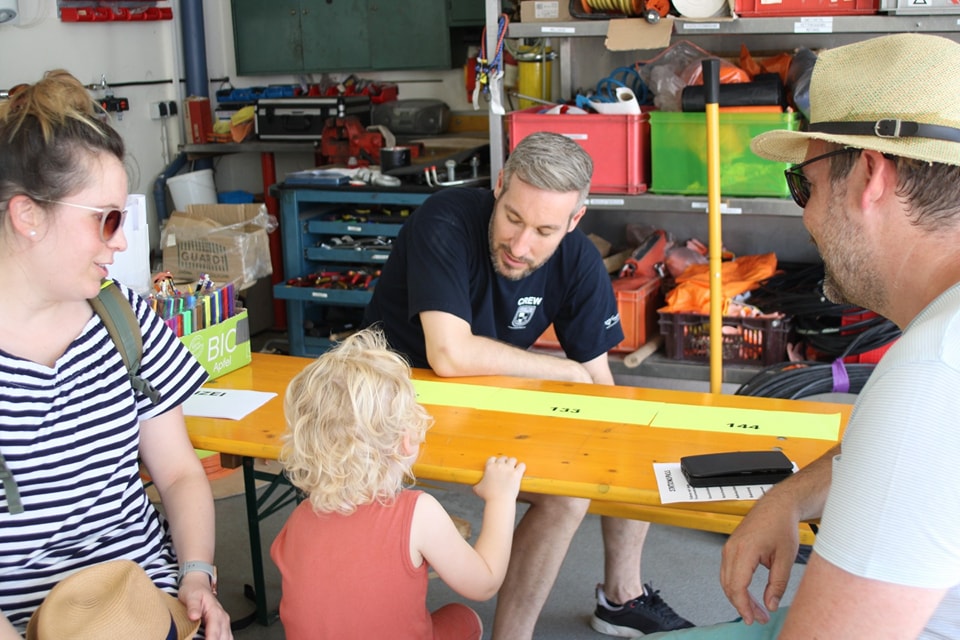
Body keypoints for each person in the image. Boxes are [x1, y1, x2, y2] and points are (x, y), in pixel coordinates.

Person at [644, 32, 960, 639]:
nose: (807, 216)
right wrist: (789, 496)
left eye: (804, 185)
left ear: (870, 175)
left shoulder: (929, 380)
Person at [363, 131, 694, 638]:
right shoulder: (445, 218)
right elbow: (448, 354)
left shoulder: (578, 259)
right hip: (395, 398)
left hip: (487, 397)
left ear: (575, 220)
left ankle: (621, 598)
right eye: (513, 218)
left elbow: (599, 382)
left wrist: (627, 442)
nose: (520, 246)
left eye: (543, 229)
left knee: (609, 453)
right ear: (499, 185)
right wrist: (562, 370)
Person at [0, 70, 231, 639]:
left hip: (149, 611)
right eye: (105, 219)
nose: (123, 241)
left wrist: (197, 576)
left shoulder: (121, 314)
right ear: (28, 215)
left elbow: (177, 473)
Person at [269, 327, 526, 639]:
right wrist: (501, 499)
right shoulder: (418, 512)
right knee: (467, 618)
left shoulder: (300, 518)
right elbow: (485, 583)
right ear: (407, 440)